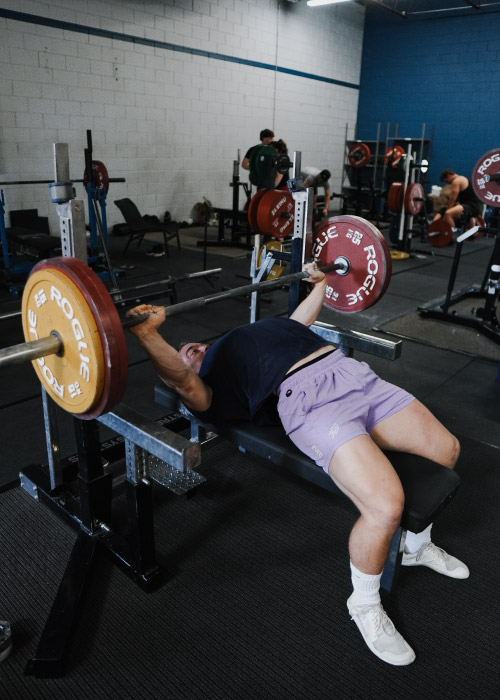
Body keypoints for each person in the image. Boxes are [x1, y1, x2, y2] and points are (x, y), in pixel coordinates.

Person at [127, 264, 469, 667]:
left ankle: (415, 547)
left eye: (196, 345)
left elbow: (301, 320)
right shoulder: (211, 387)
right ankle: (364, 604)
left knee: (445, 449)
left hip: (354, 376)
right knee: (385, 506)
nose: (195, 348)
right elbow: (183, 382)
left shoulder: (251, 335)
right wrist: (148, 334)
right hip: (311, 401)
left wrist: (321, 284)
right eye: (187, 354)